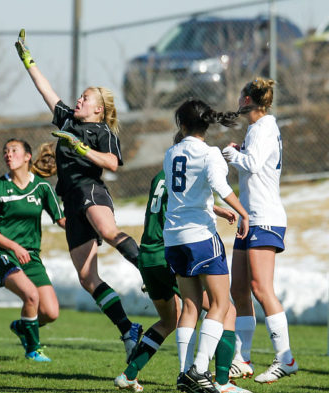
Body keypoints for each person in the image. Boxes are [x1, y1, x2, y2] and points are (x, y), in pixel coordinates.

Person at [15, 29, 143, 360]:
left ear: (99, 110)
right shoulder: (69, 120)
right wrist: (29, 61)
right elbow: (47, 91)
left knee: (108, 231)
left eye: (86, 98)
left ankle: (148, 269)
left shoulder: (102, 131)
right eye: (81, 97)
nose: (79, 100)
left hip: (90, 189)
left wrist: (81, 148)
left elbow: (112, 164)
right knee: (88, 279)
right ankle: (128, 329)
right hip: (70, 200)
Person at [113, 167, 251, 393]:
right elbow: (187, 205)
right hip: (166, 251)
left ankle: (128, 376)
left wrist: (217, 210)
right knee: (226, 310)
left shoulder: (161, 174)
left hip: (147, 255)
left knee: (169, 320)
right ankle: (222, 382)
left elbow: (172, 202)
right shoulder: (187, 173)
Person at [164, 99, 249, 393]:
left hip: (173, 238)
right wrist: (242, 212)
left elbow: (186, 196)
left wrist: (217, 209)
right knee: (221, 304)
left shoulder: (171, 153)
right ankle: (200, 370)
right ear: (206, 125)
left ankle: (184, 373)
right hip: (201, 237)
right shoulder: (209, 153)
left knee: (189, 306)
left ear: (182, 125)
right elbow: (221, 187)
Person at [222, 77, 298, 383]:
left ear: (247, 101)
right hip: (249, 217)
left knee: (260, 287)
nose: (239, 101)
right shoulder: (256, 130)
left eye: (241, 96)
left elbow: (252, 165)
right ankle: (244, 358)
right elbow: (256, 161)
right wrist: (240, 150)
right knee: (239, 288)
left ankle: (286, 359)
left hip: (265, 217)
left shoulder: (264, 127)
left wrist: (230, 154)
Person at [0, 138, 65, 362]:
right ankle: (33, 350)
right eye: (5, 151)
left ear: (27, 157)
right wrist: (14, 246)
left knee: (50, 312)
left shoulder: (42, 187)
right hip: (2, 253)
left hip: (31, 256)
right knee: (31, 295)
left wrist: (89, 226)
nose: (8, 155)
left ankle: (21, 326)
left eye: (14, 151)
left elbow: (62, 219)